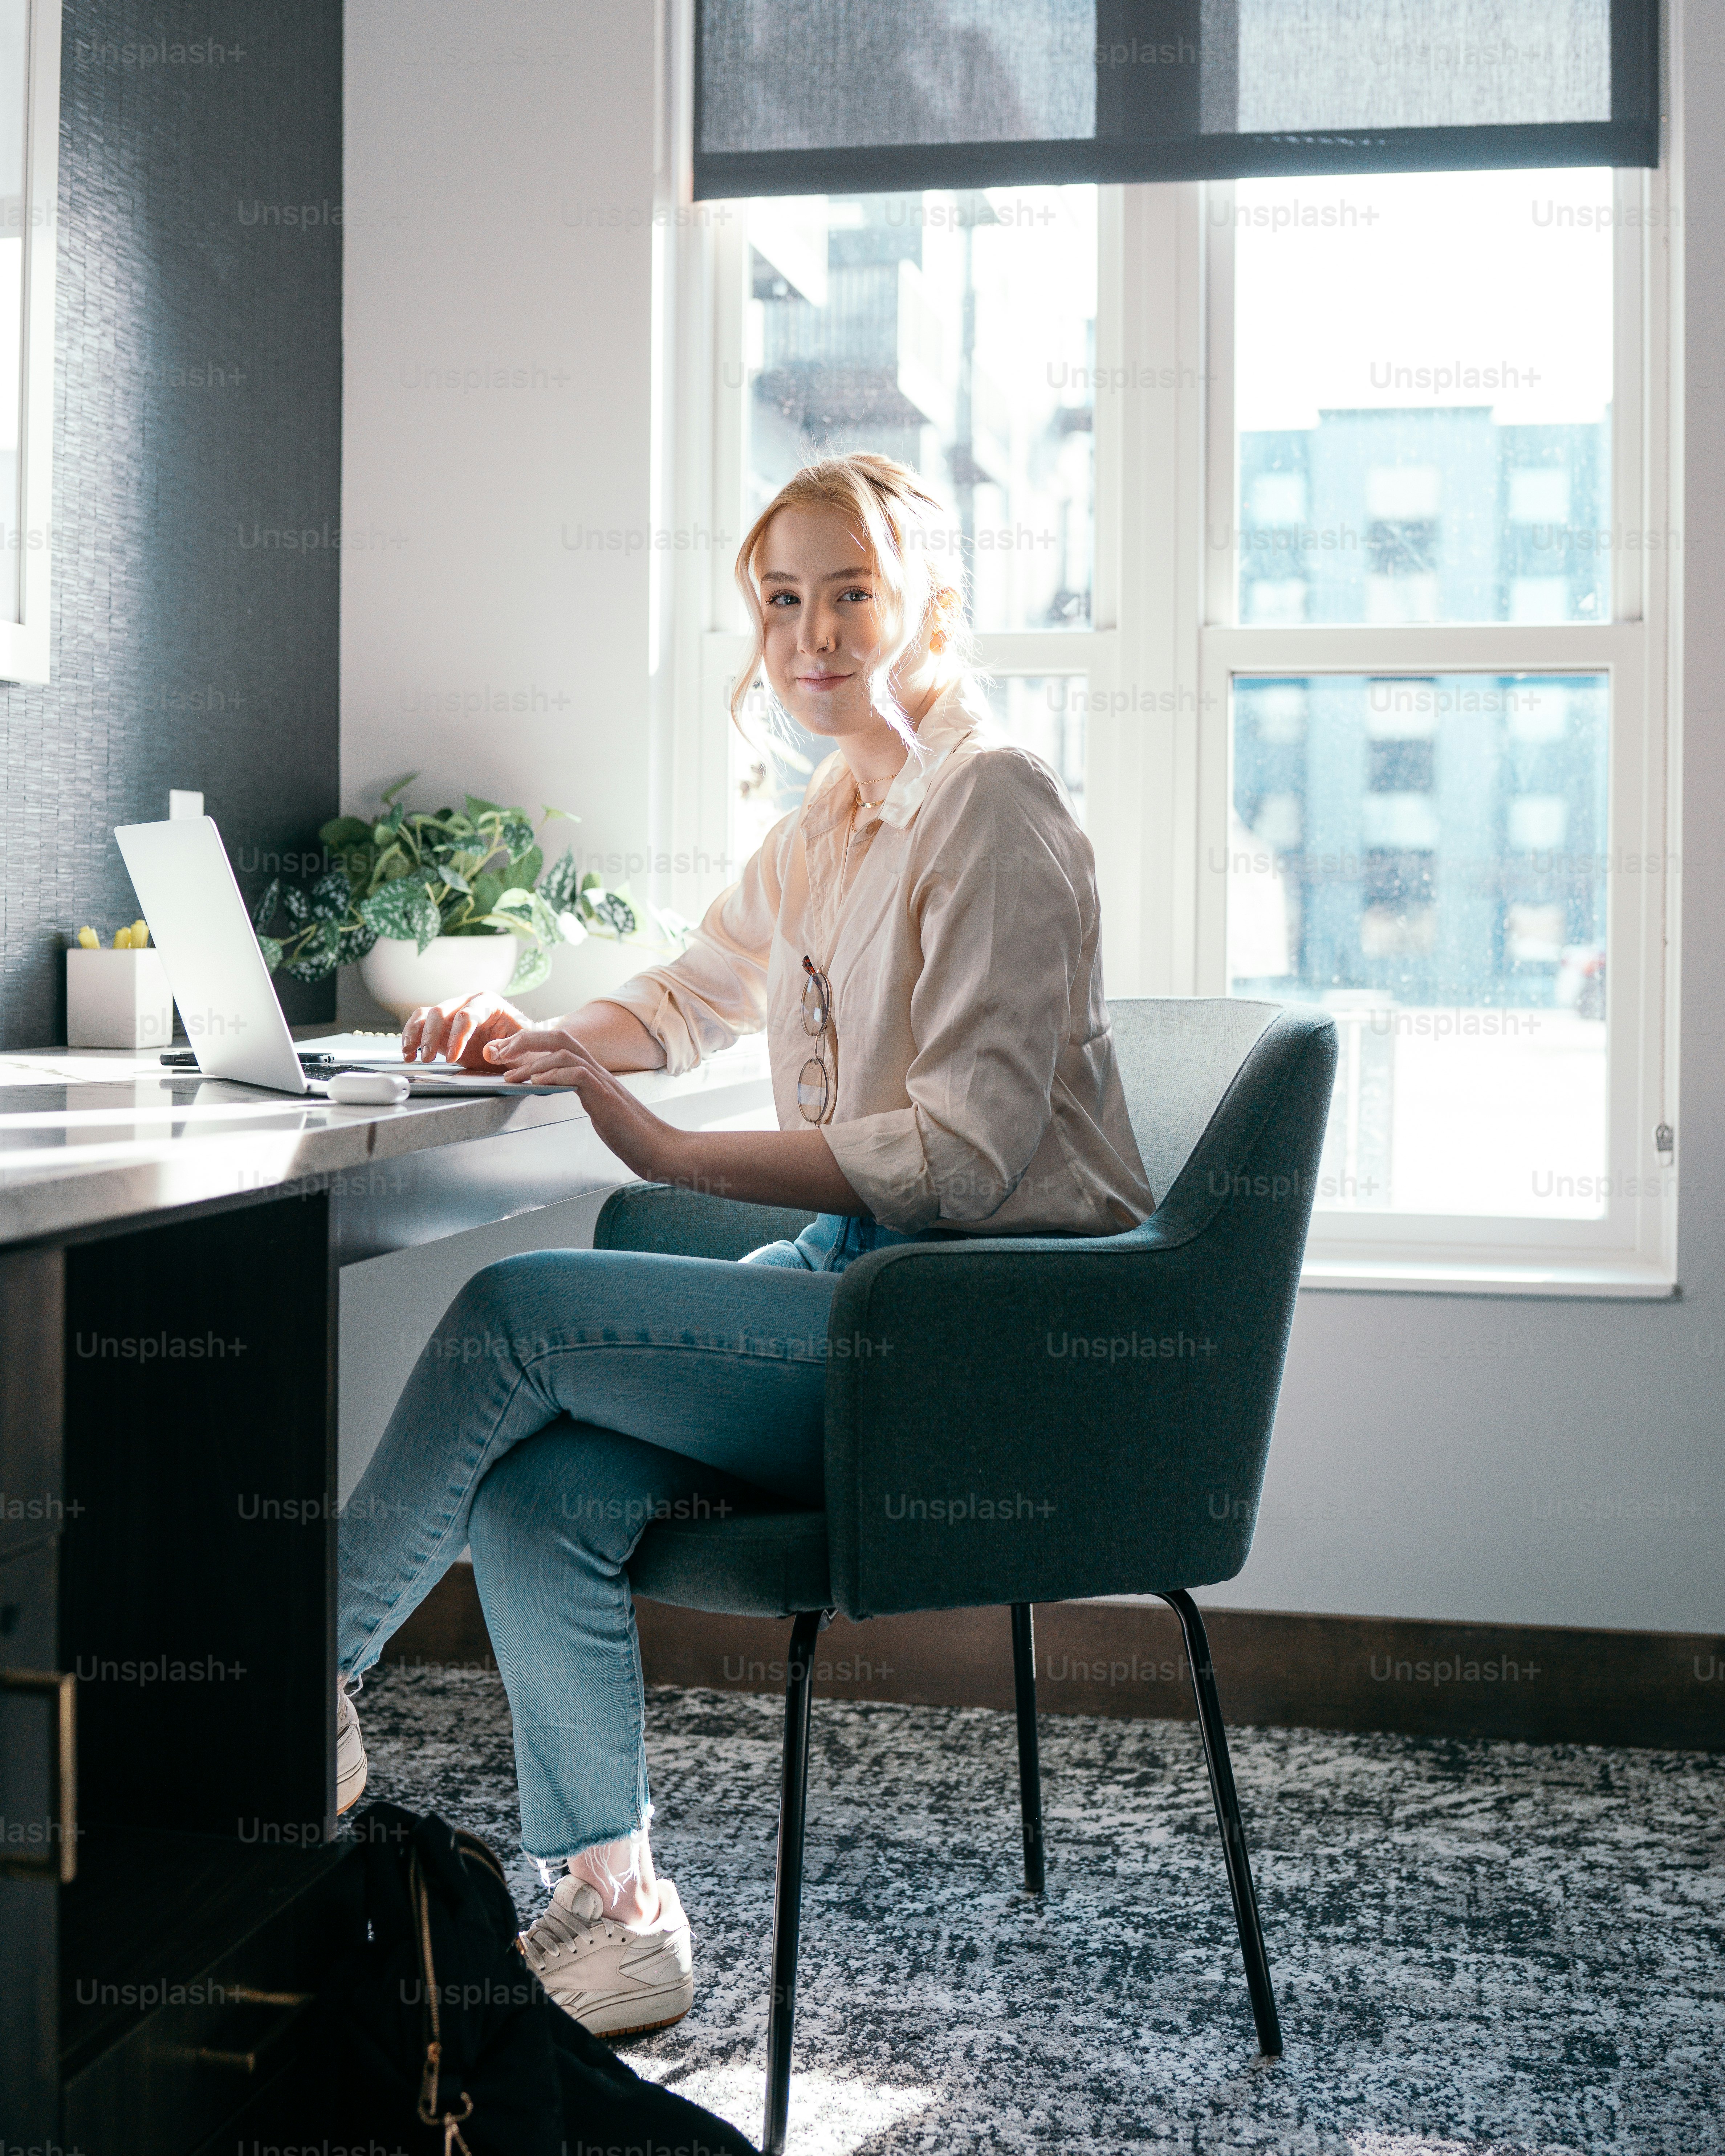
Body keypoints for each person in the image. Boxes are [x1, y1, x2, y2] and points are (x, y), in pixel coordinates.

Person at [335, 452, 1154, 2038]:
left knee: (515, 1315)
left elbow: (971, 1163)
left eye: (850, 591)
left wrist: (669, 1150)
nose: (812, 633)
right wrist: (534, 1036)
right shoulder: (829, 820)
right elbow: (690, 989)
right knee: (536, 1496)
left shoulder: (991, 802)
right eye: (781, 601)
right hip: (851, 1293)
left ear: (931, 606)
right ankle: (616, 1903)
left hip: (961, 1339)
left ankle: (296, 1676)